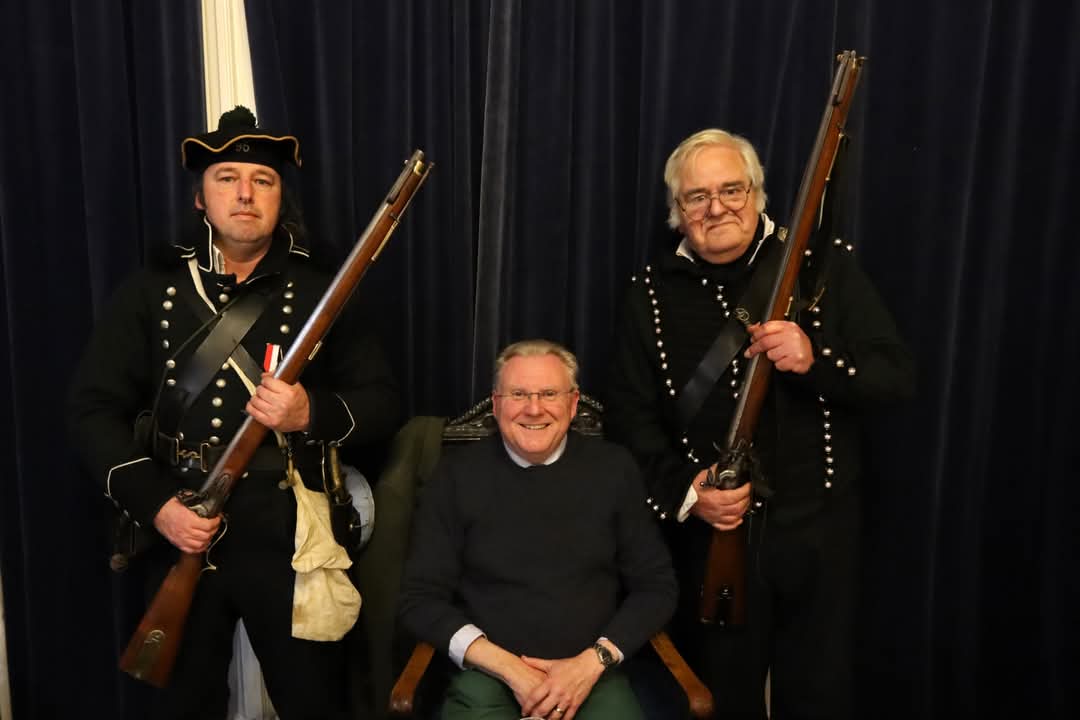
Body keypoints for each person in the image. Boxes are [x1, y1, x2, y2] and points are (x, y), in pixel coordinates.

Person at [69, 106, 400, 719]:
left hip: (289, 532)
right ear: (201, 197)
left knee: (317, 702)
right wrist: (158, 507)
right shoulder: (153, 288)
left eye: (263, 180)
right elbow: (93, 411)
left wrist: (310, 411)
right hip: (180, 520)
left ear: (280, 197)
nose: (245, 193)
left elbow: (381, 403)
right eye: (227, 178)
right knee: (182, 706)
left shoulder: (323, 288)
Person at [604, 128, 915, 719]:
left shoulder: (823, 270)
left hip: (821, 525)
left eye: (731, 190)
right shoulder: (650, 292)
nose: (716, 207)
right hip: (716, 536)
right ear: (677, 211)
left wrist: (813, 358)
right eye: (697, 197)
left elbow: (894, 377)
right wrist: (688, 495)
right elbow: (630, 422)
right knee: (724, 698)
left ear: (759, 195)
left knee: (819, 693)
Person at [398, 339, 677, 720]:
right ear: (496, 405)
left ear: (573, 403)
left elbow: (656, 586)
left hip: (592, 674)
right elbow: (419, 598)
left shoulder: (615, 469)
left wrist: (591, 663)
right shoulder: (455, 475)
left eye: (549, 393)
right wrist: (512, 670)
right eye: (518, 394)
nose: (534, 409)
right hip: (486, 676)